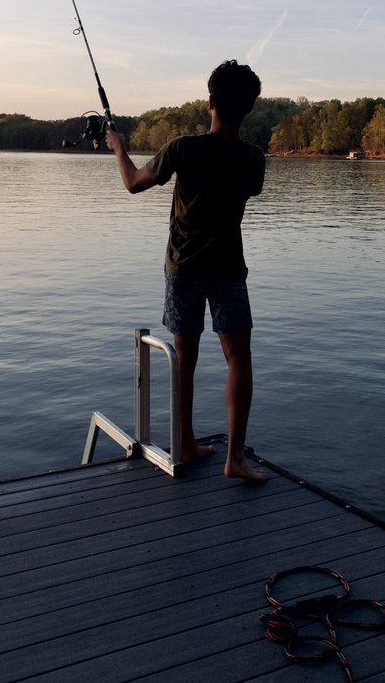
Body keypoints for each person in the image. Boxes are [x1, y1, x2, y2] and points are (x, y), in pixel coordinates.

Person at [105, 59, 268, 483]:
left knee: (185, 358)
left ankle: (187, 443)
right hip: (229, 269)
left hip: (184, 269)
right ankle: (235, 458)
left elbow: (133, 183)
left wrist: (118, 148)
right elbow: (243, 187)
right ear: (249, 107)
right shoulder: (254, 160)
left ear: (210, 100)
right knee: (239, 359)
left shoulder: (183, 148)